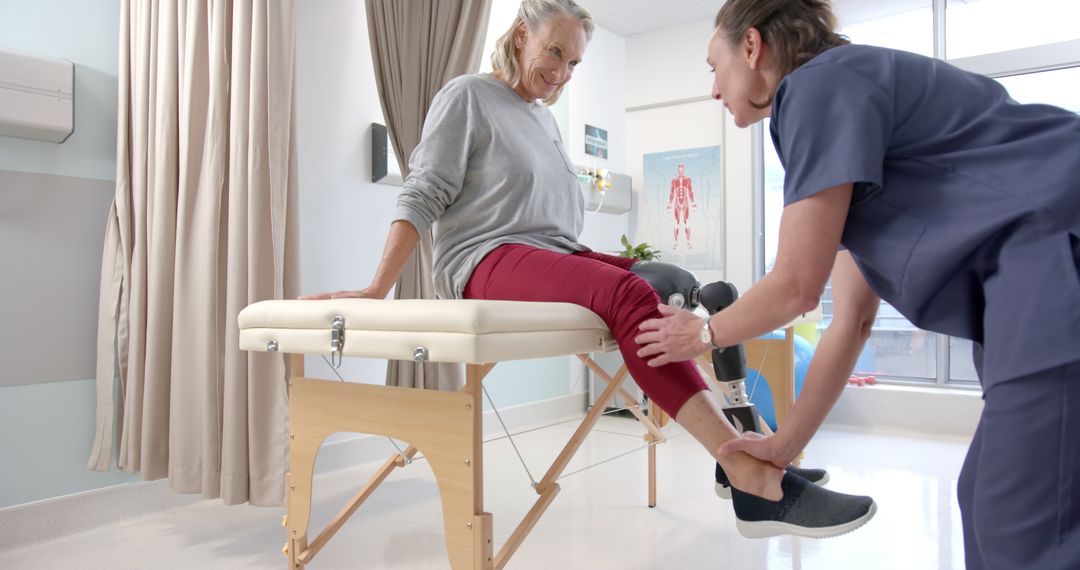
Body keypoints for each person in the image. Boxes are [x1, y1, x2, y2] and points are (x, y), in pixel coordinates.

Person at [302, 0, 875, 540]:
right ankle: (749, 474)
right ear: (523, 33)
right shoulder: (468, 96)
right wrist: (378, 286)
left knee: (683, 284)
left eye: (574, 62)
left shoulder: (543, 120)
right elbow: (423, 193)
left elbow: (554, 228)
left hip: (552, 252)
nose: (563, 72)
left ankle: (742, 446)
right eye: (555, 53)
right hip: (484, 257)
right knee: (629, 293)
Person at [635, 0, 1080, 567]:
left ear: (751, 47)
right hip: (1036, 278)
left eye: (712, 67)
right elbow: (852, 319)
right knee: (989, 501)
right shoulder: (851, 109)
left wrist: (702, 333)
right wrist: (782, 446)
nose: (715, 90)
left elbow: (795, 286)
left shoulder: (819, 88)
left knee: (1020, 525)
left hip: (1055, 257)